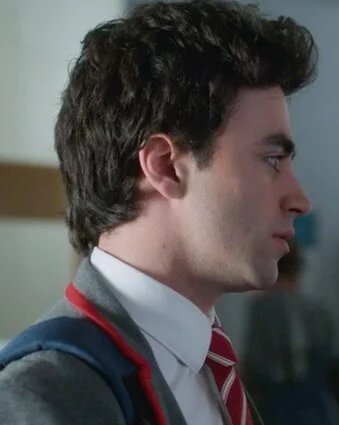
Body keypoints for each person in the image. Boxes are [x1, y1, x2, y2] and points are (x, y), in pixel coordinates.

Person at [0, 1, 317, 424]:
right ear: (165, 167)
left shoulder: (207, 361)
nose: (300, 200)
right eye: (272, 159)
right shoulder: (44, 394)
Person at [242, 239, 339, 425]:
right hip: (318, 411)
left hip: (274, 411)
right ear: (298, 268)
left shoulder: (260, 310)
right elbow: (337, 373)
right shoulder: (318, 310)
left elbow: (253, 370)